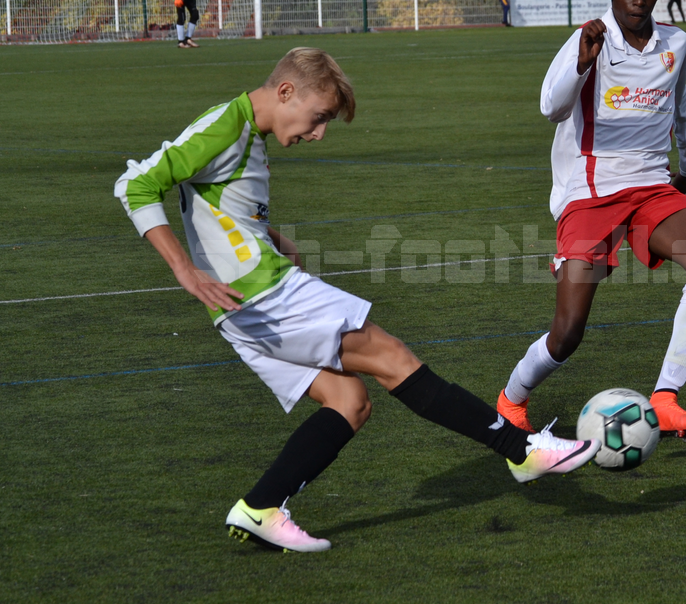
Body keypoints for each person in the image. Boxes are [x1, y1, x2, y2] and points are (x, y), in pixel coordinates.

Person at [114, 48, 599, 553]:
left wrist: (271, 235)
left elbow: (215, 204)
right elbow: (137, 184)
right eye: (318, 117)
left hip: (243, 307)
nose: (318, 133)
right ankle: (520, 449)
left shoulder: (247, 135)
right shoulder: (225, 125)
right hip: (263, 295)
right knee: (392, 357)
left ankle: (260, 506)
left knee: (349, 402)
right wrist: (186, 271)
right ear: (285, 92)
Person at [495, 0, 686, 445]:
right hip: (590, 194)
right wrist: (582, 62)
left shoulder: (677, 42)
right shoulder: (590, 39)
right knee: (568, 331)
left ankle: (665, 398)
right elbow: (550, 108)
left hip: (650, 187)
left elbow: (679, 102)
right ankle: (512, 398)